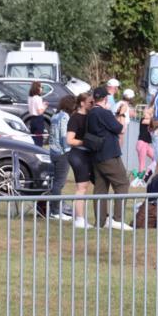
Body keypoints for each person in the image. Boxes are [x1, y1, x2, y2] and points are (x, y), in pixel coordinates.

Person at [86, 87, 132, 230]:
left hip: (97, 156)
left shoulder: (91, 113)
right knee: (122, 183)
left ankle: (100, 222)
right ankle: (117, 219)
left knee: (100, 188)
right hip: (109, 155)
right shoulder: (103, 113)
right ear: (105, 99)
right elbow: (121, 129)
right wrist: (123, 115)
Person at [38, 94, 75, 220]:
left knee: (54, 182)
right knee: (59, 183)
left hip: (53, 152)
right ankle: (55, 211)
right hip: (61, 153)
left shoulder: (55, 116)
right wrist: (67, 150)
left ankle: (52, 209)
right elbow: (64, 136)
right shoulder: (64, 117)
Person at [65, 92, 95, 228]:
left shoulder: (91, 116)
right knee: (81, 187)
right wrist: (85, 142)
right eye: (90, 102)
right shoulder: (75, 118)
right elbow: (69, 140)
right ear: (82, 103)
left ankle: (82, 218)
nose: (93, 105)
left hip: (87, 155)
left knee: (85, 186)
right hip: (78, 154)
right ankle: (79, 219)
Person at [26, 81, 48, 147]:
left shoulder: (30, 98)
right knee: (38, 139)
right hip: (38, 119)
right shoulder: (38, 98)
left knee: (33, 137)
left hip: (32, 118)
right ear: (37, 88)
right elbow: (40, 111)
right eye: (41, 87)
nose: (42, 89)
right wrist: (45, 106)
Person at [136, 105, 156, 175]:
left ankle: (147, 173)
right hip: (141, 144)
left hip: (146, 144)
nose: (144, 115)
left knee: (156, 158)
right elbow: (153, 122)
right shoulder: (143, 120)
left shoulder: (151, 121)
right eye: (144, 113)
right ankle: (138, 179)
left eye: (146, 113)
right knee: (142, 164)